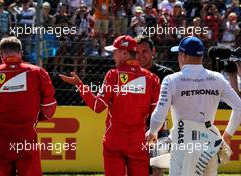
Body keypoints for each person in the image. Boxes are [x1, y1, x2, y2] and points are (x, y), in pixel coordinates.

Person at [60, 35, 161, 176]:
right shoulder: (153, 79)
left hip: (114, 140)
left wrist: (80, 86)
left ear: (125, 53)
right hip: (138, 141)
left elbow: (97, 106)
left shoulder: (113, 75)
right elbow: (157, 114)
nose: (113, 56)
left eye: (115, 52)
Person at [146, 36, 241, 176]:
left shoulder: (171, 80)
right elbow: (239, 107)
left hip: (183, 145)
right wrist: (227, 134)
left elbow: (159, 114)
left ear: (183, 55)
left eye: (179, 54)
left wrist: (152, 132)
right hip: (210, 145)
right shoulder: (217, 78)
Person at [0, 36, 57, 176]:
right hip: (27, 140)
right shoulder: (38, 72)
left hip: (0, 142)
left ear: (1, 54)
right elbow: (49, 109)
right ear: (21, 52)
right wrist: (39, 117)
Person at [135, 35, 173, 176]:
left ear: (153, 52)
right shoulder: (128, 74)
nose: (140, 56)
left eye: (144, 51)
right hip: (132, 130)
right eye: (137, 52)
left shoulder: (167, 75)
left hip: (158, 130)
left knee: (156, 169)